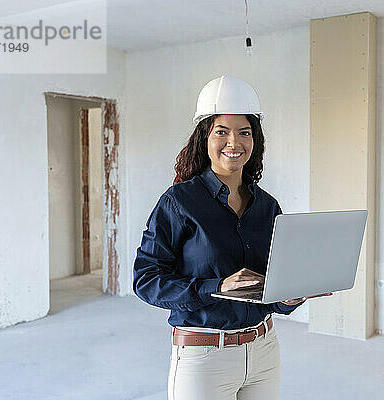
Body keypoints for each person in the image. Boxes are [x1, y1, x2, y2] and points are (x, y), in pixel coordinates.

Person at [133, 75, 331, 400]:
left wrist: (289, 296)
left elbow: (270, 286)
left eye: (244, 132)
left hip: (264, 349)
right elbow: (146, 281)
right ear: (204, 138)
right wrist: (217, 287)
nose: (234, 143)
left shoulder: (267, 206)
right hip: (204, 355)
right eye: (221, 132)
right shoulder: (179, 202)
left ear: (256, 141)